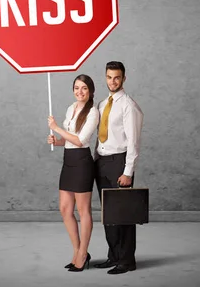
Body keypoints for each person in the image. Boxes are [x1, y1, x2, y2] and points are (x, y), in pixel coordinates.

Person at [93, 61, 144, 275]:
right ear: (105, 77)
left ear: (124, 78)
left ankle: (127, 260)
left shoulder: (128, 105)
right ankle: (113, 256)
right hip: (102, 162)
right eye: (109, 77)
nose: (112, 81)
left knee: (123, 214)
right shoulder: (103, 104)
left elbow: (133, 141)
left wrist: (127, 171)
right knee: (109, 215)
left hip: (119, 163)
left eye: (117, 77)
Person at [47, 74, 100, 272]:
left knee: (83, 210)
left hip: (82, 163)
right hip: (68, 162)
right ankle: (78, 251)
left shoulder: (93, 112)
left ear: (91, 91)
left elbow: (80, 140)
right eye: (77, 88)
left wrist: (56, 128)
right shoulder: (71, 108)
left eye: (84, 88)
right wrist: (57, 141)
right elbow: (69, 141)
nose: (80, 92)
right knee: (64, 209)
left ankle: (82, 252)